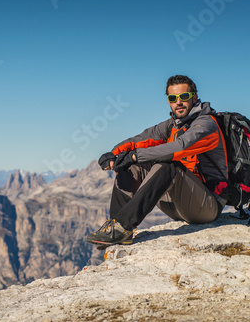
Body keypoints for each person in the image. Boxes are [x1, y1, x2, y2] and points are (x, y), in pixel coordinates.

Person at [87, 75, 228, 246]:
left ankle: (123, 226)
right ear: (168, 101)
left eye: (184, 97)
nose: (179, 102)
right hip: (179, 205)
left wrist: (134, 156)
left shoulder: (207, 125)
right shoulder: (173, 125)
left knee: (168, 165)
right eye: (173, 98)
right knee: (129, 166)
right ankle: (116, 228)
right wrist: (114, 154)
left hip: (207, 207)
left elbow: (180, 147)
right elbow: (141, 139)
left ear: (194, 98)